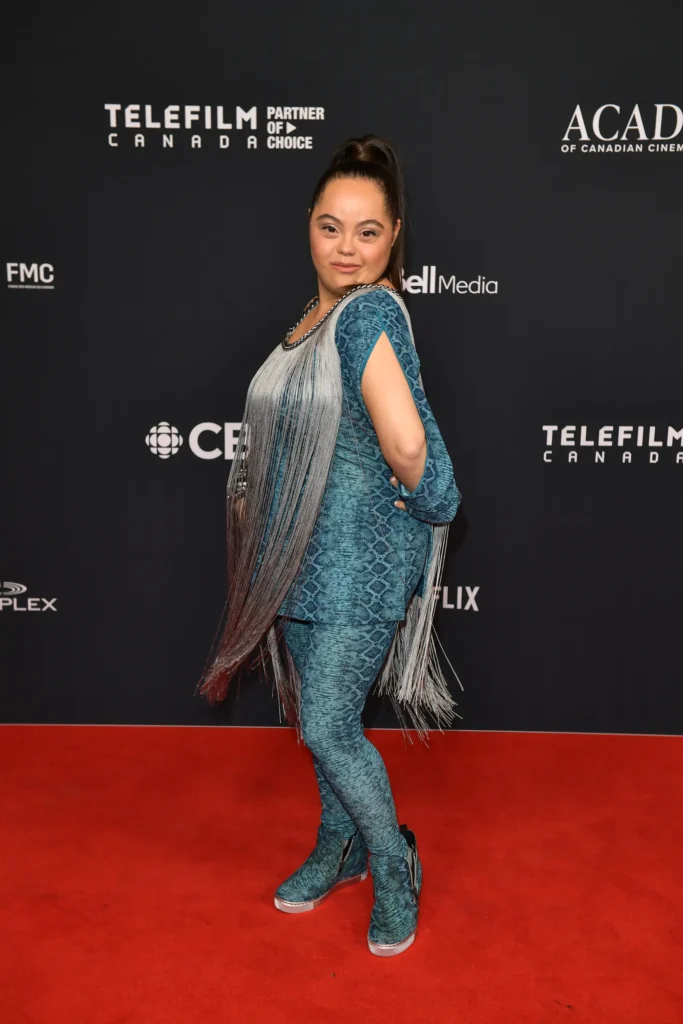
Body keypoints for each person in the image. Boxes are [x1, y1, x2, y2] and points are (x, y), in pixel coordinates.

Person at [196, 134, 462, 957]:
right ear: (307, 230)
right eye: (330, 226)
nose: (347, 247)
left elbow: (407, 445)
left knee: (328, 731)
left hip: (355, 564)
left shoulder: (369, 313)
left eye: (368, 231)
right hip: (299, 564)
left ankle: (393, 863)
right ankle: (337, 844)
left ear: (393, 239)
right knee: (321, 718)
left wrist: (427, 502)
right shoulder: (315, 317)